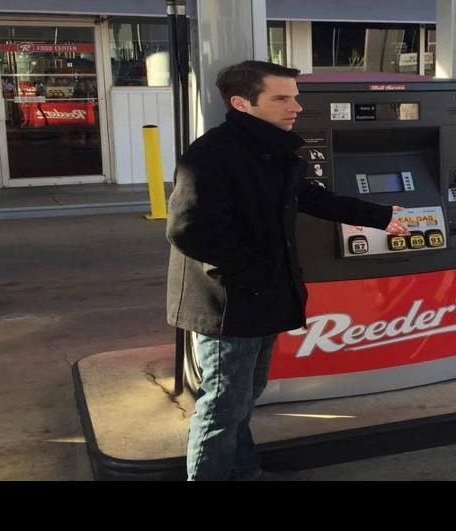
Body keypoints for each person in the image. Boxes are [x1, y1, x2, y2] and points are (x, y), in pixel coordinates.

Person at [166, 60, 410, 481]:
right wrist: (255, 274)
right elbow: (189, 230)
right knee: (222, 404)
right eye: (281, 98)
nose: (295, 106)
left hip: (262, 295)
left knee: (245, 395)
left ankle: (243, 472)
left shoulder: (274, 149)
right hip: (228, 304)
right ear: (241, 103)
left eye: (295, 97)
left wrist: (380, 215)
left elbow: (311, 197)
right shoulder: (211, 154)